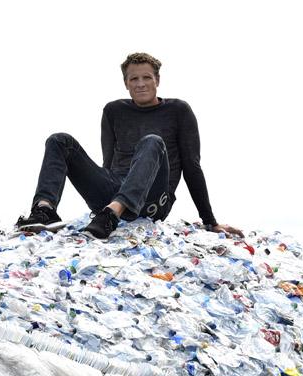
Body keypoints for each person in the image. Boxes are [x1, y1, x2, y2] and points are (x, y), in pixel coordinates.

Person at [15, 52, 244, 240]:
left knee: (152, 141)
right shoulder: (113, 111)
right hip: (113, 191)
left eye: (147, 78)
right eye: (134, 79)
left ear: (158, 81)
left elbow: (192, 168)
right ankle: (44, 210)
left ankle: (112, 214)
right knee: (59, 140)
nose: (141, 84)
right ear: (126, 83)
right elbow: (108, 163)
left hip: (153, 199)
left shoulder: (179, 111)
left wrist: (210, 222)